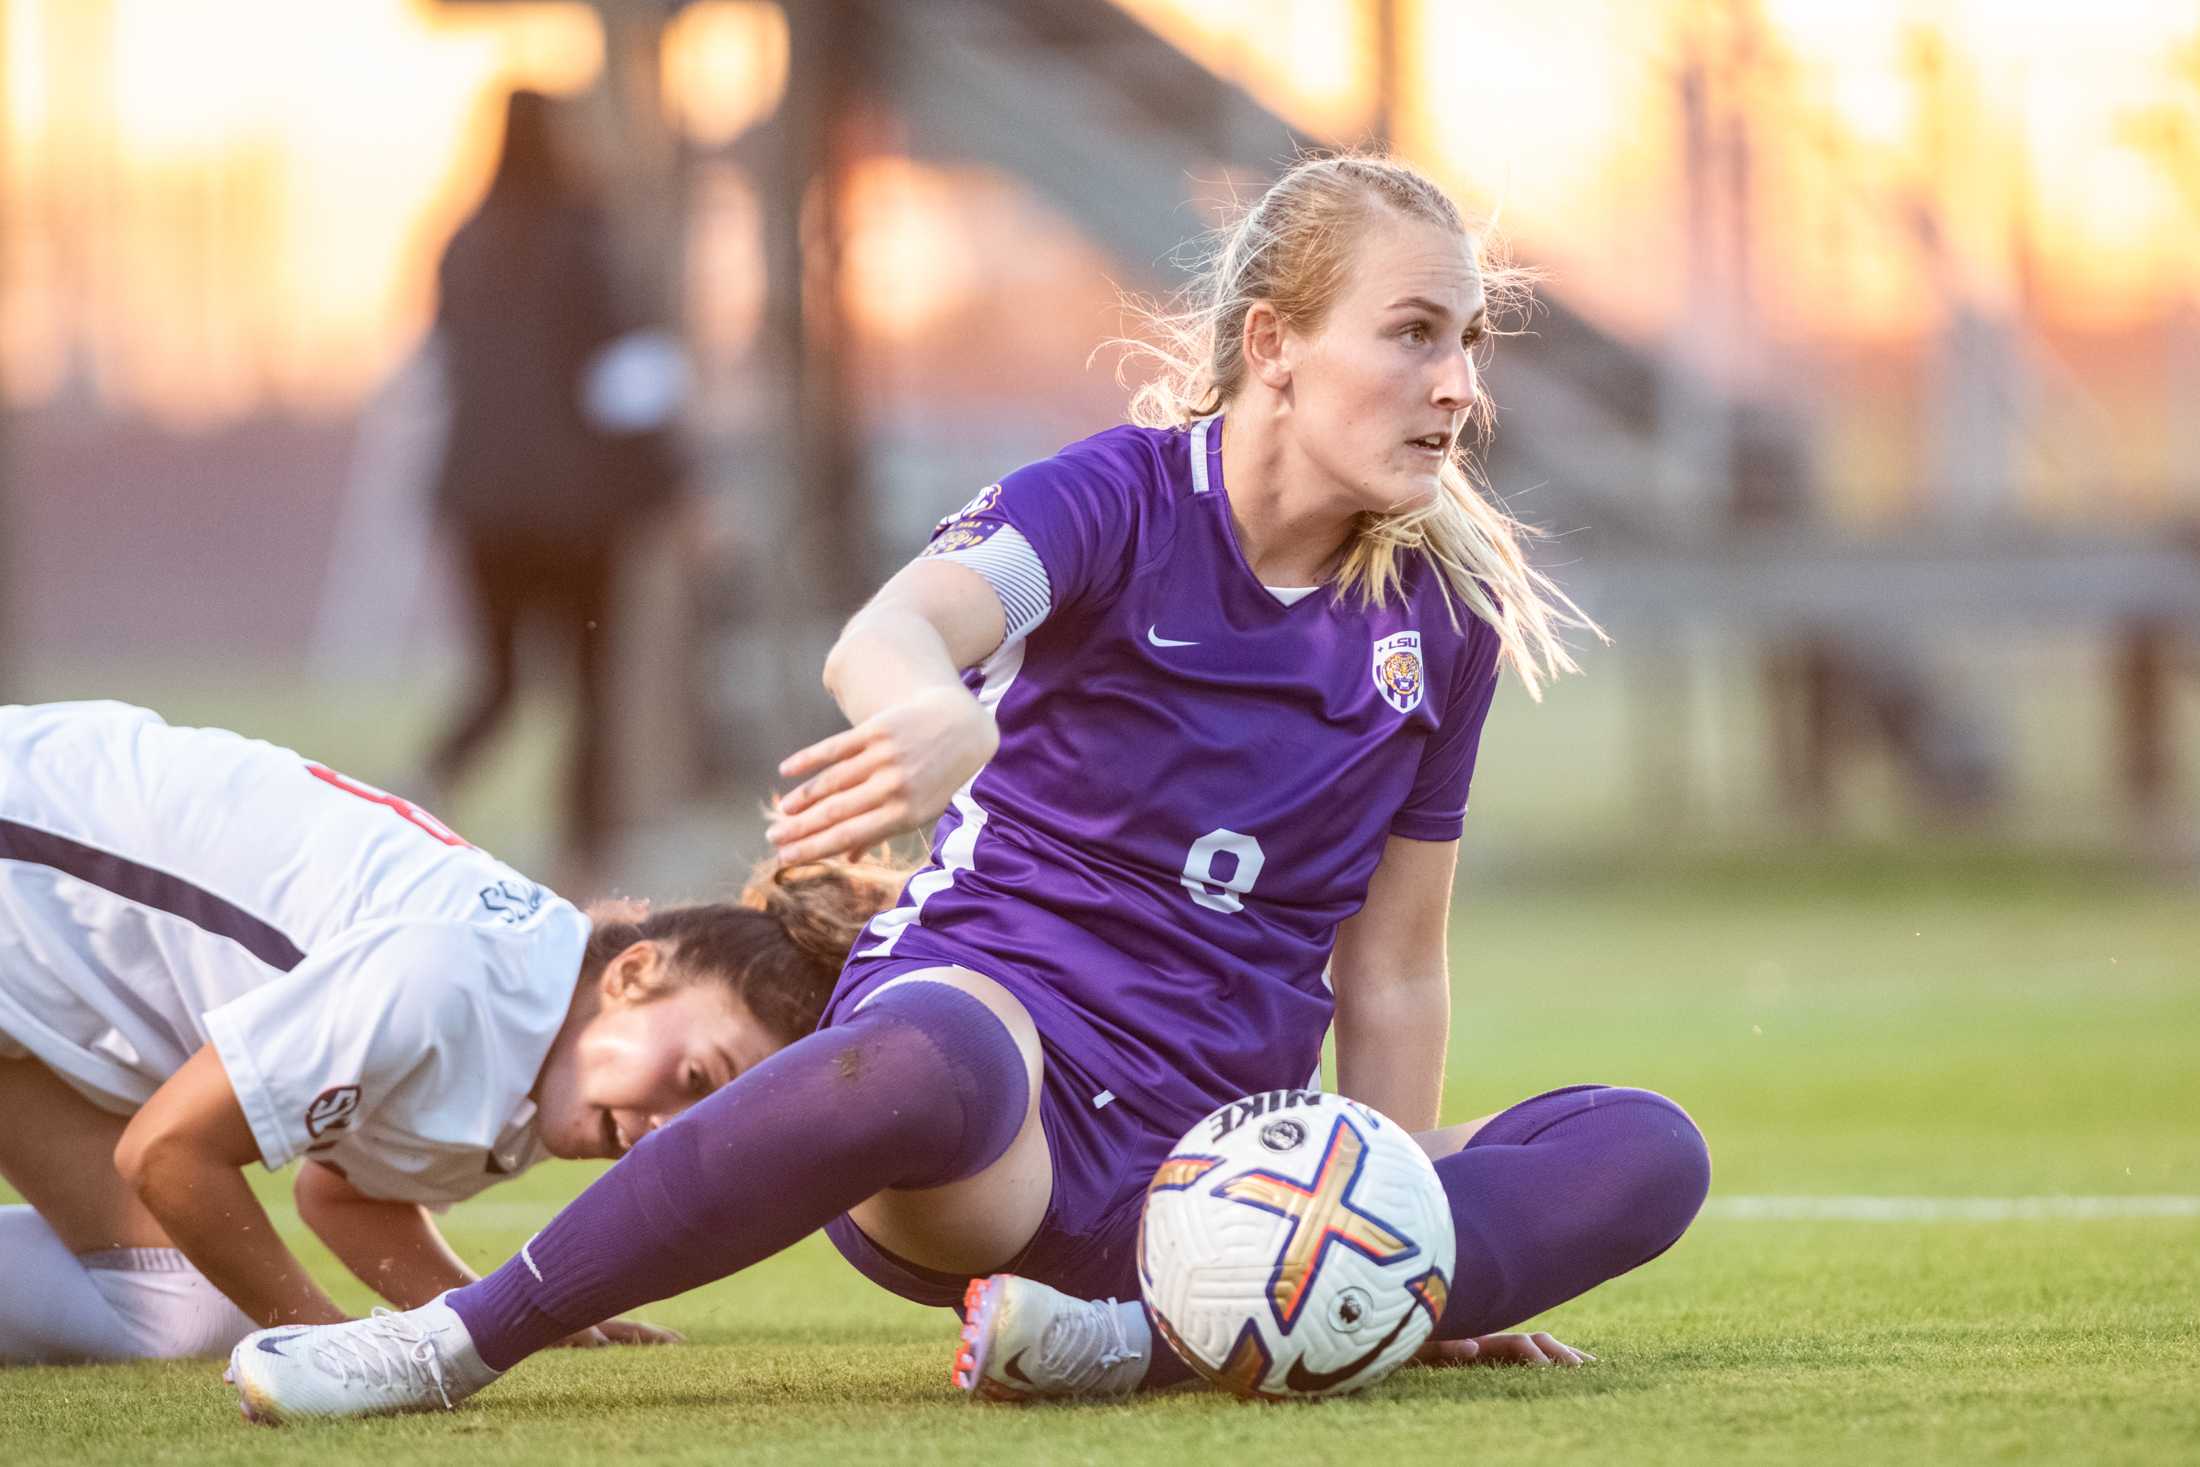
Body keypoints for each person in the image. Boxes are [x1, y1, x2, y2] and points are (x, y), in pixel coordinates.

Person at [225, 154, 1712, 1421]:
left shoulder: (1439, 624)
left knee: (1645, 1147)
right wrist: (929, 716)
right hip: (995, 1101)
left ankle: (1134, 1331)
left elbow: (1392, 969)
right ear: (1276, 342)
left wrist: (1397, 1243)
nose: (1457, 386)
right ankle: (445, 1344)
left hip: (1218, 1170)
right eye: (1411, 334)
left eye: (1468, 342)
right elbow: (895, 628)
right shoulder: (1121, 498)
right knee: (927, 1052)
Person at [0, 700, 896, 1365]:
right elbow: (166, 1148)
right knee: (188, 1308)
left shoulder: (561, 1039)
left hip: (30, 959)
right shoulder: (459, 983)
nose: (668, 1128)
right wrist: (330, 1347)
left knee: (172, 1311)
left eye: (707, 1118)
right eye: (697, 1077)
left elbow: (343, 1191)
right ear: (632, 973)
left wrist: (494, 1308)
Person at [421, 88, 686, 891]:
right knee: (591, 689)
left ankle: (425, 786)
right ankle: (583, 855)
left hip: (481, 507)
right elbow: (631, 382)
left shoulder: (460, 245)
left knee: (499, 679)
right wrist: (670, 486)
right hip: (580, 511)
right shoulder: (587, 239)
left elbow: (445, 367)